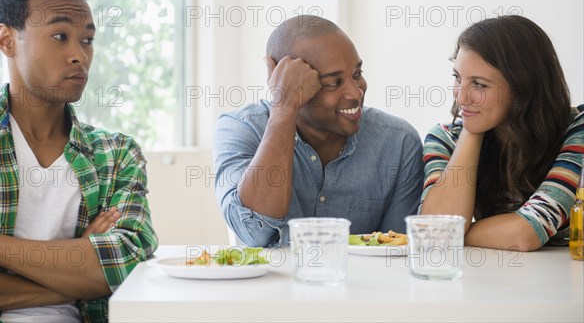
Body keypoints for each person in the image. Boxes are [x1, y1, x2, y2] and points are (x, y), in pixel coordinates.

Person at [0, 0, 158, 323]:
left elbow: (127, 265)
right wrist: (81, 267)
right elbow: (103, 276)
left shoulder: (116, 154)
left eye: (88, 39)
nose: (80, 54)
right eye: (60, 36)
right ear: (6, 40)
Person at [213, 15, 424, 247]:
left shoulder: (398, 142)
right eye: (333, 83)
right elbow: (254, 233)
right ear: (281, 80)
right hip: (267, 283)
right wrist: (283, 107)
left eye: (357, 75)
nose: (355, 93)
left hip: (360, 283)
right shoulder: (241, 129)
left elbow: (398, 252)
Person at [420, 15, 584, 251]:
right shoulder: (445, 138)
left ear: (524, 87)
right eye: (457, 78)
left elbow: (526, 234)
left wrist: (452, 234)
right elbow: (432, 229)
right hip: (494, 278)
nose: (460, 96)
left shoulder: (577, 128)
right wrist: (471, 130)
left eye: (479, 84)